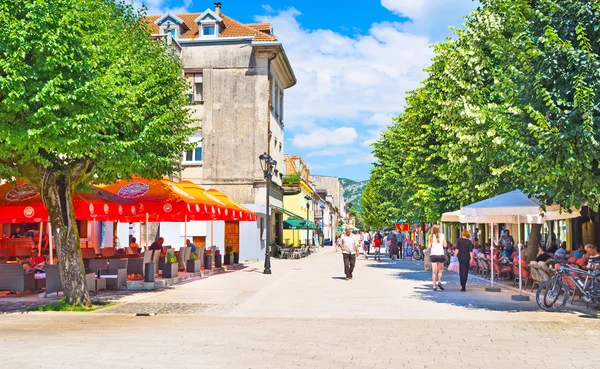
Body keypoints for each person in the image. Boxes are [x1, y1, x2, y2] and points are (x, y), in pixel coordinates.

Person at [428, 224, 446, 291]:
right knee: (440, 270)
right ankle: (440, 282)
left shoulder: (430, 236)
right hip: (440, 254)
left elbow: (429, 246)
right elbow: (445, 245)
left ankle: (434, 286)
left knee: (434, 272)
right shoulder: (442, 236)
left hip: (433, 255)